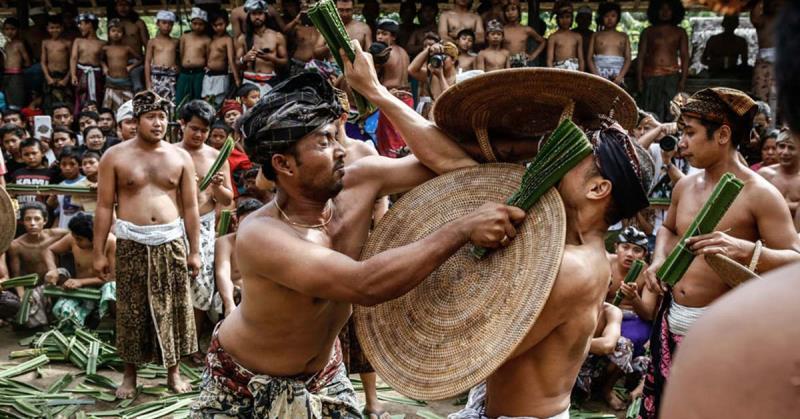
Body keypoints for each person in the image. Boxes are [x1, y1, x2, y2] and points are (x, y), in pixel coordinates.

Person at [344, 38, 653, 419]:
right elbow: (449, 161)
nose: (552, 158)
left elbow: (477, 350)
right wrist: (376, 92)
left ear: (597, 188)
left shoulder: (574, 267)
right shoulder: (554, 227)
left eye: (571, 156)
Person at [189, 69, 524, 417]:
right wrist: (461, 228)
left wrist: (376, 91)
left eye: (336, 137)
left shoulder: (361, 180)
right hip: (242, 382)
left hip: (324, 376)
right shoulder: (262, 234)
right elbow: (365, 284)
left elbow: (452, 160)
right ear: (283, 164)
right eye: (323, 142)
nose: (340, 151)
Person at [638, 88, 800, 418]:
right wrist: (657, 261)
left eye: (690, 133)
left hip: (725, 334)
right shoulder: (684, 185)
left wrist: (744, 250)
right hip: (672, 322)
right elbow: (668, 229)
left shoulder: (760, 195)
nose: (681, 142)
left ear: (723, 134)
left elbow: (796, 258)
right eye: (681, 132)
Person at [93, 90, 202, 398]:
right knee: (130, 310)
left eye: (162, 117)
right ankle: (129, 376)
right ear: (135, 120)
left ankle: (174, 372)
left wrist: (195, 250)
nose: (158, 123)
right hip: (131, 242)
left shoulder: (180, 157)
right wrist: (99, 252)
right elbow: (103, 207)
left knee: (176, 307)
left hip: (170, 240)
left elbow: (191, 207)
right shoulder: (114, 156)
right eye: (151, 117)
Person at [174, 100, 234, 362]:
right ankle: (171, 346)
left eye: (204, 130)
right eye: (194, 129)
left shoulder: (216, 157)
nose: (199, 135)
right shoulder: (169, 153)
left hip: (206, 224)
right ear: (182, 125)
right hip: (172, 224)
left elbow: (227, 200)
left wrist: (218, 186)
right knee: (173, 284)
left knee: (201, 284)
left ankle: (193, 344)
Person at [602, 227, 657, 409]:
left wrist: (634, 298)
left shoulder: (647, 273)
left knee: (629, 341)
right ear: (616, 247)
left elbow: (648, 313)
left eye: (636, 250)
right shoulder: (604, 263)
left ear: (644, 255)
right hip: (603, 314)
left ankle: (607, 389)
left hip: (634, 318)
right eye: (625, 247)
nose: (629, 254)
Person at [43, 212, 117, 327]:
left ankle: (109, 320)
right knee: (62, 312)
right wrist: (52, 270)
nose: (76, 242)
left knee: (112, 287)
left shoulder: (111, 242)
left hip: (102, 290)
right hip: (80, 292)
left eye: (79, 239)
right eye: (74, 237)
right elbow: (49, 250)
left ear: (94, 237)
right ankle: (86, 319)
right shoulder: (73, 238)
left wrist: (81, 282)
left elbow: (113, 277)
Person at [7, 202, 69, 328]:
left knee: (62, 272)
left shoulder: (58, 235)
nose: (32, 223)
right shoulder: (16, 245)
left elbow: (80, 235)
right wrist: (22, 296)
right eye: (28, 219)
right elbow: (16, 275)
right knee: (28, 323)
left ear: (45, 221)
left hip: (58, 284)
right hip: (35, 290)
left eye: (37, 219)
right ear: (22, 222)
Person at [637, 0, 689, 122]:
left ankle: (669, 138)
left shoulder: (680, 32)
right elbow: (641, 56)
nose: (665, 12)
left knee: (672, 111)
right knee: (649, 111)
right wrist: (639, 79)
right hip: (650, 75)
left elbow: (685, 57)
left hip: (671, 76)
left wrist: (683, 79)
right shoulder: (648, 31)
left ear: (675, 11)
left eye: (668, 9)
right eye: (661, 9)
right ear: (655, 11)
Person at [211, 198, 262, 321]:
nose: (249, 228)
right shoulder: (225, 243)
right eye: (245, 222)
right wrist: (229, 305)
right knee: (236, 295)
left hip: (261, 300)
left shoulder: (268, 243)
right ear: (237, 222)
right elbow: (222, 274)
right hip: (231, 299)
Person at [236, 0, 288, 95]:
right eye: (253, 14)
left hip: (268, 82)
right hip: (248, 82)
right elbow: (236, 63)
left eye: (260, 13)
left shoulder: (277, 36)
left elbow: (285, 62)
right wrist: (244, 59)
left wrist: (269, 58)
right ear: (249, 16)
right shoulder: (243, 38)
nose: (257, 17)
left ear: (265, 15)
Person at [758, 129, 800, 227]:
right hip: (765, 236)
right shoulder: (764, 175)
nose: (785, 152)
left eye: (791, 148)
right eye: (781, 146)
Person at [70, 13, 105, 119]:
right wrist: (73, 75)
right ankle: (80, 120)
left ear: (89, 24)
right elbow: (73, 58)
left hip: (96, 73)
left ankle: (95, 118)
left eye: (81, 24)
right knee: (80, 97)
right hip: (81, 72)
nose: (80, 27)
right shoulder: (78, 41)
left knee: (97, 98)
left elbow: (103, 60)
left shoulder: (102, 43)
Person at [588, 2, 631, 86]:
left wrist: (620, 76)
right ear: (601, 17)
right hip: (599, 73)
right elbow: (589, 58)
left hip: (618, 73)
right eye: (606, 16)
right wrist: (596, 76)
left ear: (618, 17)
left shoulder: (624, 36)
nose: (610, 19)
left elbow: (628, 58)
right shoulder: (596, 35)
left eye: (613, 16)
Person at [110, 0, 149, 92]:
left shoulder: (138, 23)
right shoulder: (114, 25)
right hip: (118, 62)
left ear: (131, 6)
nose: (123, 8)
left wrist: (147, 64)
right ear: (115, 7)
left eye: (126, 5)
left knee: (138, 88)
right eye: (120, 5)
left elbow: (147, 45)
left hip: (136, 63)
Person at [102, 19, 139, 113]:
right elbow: (99, 59)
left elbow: (140, 59)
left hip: (125, 83)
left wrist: (132, 66)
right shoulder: (106, 48)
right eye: (113, 31)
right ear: (109, 33)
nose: (116, 34)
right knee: (108, 109)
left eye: (119, 31)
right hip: (111, 82)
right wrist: (104, 66)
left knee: (129, 108)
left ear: (123, 34)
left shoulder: (126, 48)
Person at [204, 11, 241, 107]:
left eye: (221, 24)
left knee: (220, 102)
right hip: (208, 75)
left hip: (221, 76)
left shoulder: (227, 39)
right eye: (215, 25)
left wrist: (237, 79)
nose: (218, 27)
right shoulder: (211, 38)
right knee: (207, 102)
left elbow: (231, 59)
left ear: (227, 23)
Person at [177, 8, 212, 105]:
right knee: (181, 99)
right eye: (195, 23)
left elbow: (208, 57)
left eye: (201, 24)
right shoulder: (185, 37)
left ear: (205, 25)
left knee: (197, 99)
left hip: (199, 73)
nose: (197, 26)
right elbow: (181, 53)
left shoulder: (207, 39)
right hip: (184, 72)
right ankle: (180, 118)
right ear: (191, 23)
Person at [750, 0, 781, 110]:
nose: (775, 4)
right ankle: (761, 121)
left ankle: (785, 124)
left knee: (786, 93)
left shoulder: (788, 20)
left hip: (783, 63)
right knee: (761, 95)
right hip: (764, 63)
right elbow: (754, 17)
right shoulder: (762, 19)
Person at [46, 146, 85, 229]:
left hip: (81, 232)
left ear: (80, 165)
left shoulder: (87, 183)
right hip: (63, 231)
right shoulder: (60, 186)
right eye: (64, 164)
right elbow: (59, 213)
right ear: (59, 166)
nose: (67, 168)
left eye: (72, 164)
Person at [409, 42, 458, 106]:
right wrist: (428, 50)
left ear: (453, 60)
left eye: (444, 57)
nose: (441, 61)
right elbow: (412, 70)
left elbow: (449, 99)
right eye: (439, 57)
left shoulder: (460, 78)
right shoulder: (433, 75)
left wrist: (440, 76)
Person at [144, 10, 179, 102]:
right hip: (156, 77)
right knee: (156, 102)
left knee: (171, 102)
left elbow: (180, 58)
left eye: (170, 24)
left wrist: (178, 67)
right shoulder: (152, 42)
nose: (167, 26)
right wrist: (148, 82)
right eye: (164, 23)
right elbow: (147, 62)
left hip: (171, 77)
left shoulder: (175, 41)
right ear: (157, 24)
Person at [41, 14, 74, 113]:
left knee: (66, 101)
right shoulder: (45, 43)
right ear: (47, 28)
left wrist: (67, 78)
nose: (55, 30)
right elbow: (43, 62)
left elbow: (72, 61)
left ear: (62, 28)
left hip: (64, 75)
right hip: (50, 76)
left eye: (57, 27)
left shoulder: (67, 43)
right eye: (52, 28)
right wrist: (48, 78)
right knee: (48, 103)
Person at [10, 138, 55, 204]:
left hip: (43, 212)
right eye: (26, 154)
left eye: (34, 153)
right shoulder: (17, 173)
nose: (31, 157)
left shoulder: (50, 173)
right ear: (21, 155)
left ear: (42, 153)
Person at [503, 3, 545, 68]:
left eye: (513, 9)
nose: (510, 13)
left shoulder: (526, 29)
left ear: (519, 11)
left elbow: (543, 41)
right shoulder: (502, 30)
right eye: (507, 11)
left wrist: (533, 56)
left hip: (522, 62)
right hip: (506, 62)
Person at [3, 17, 32, 109]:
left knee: (17, 98)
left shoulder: (19, 44)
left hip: (16, 74)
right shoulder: (6, 44)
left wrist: (21, 68)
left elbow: (27, 61)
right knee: (8, 98)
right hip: (6, 74)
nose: (10, 32)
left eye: (12, 29)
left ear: (18, 30)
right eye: (7, 29)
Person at [547, 2, 585, 71]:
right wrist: (553, 75)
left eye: (567, 17)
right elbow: (549, 60)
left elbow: (581, 59)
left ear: (572, 18)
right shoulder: (553, 37)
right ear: (557, 19)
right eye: (561, 17)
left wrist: (581, 74)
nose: (565, 20)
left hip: (574, 70)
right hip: (558, 70)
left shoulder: (577, 37)